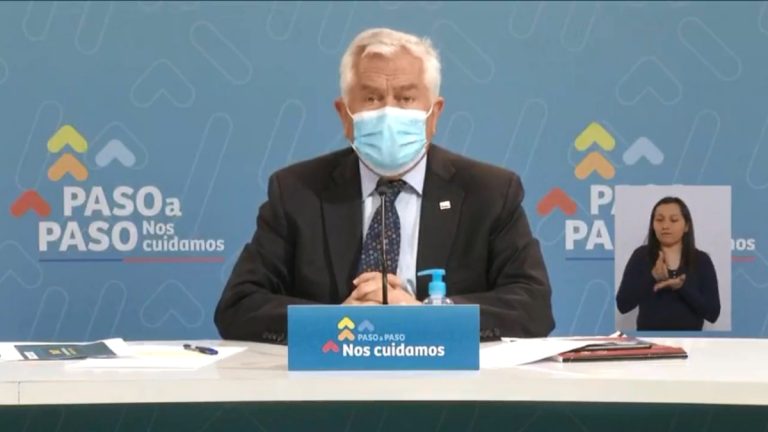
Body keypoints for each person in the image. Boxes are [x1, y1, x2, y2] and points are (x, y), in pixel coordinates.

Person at [214, 28, 554, 343]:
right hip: (330, 378)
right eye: (372, 98)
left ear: (434, 113)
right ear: (344, 115)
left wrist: (431, 317)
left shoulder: (489, 192)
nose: (389, 112)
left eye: (406, 98)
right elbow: (239, 307)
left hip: (447, 382)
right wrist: (335, 321)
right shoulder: (297, 192)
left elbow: (533, 306)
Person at [616, 196, 720, 330]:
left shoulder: (701, 260)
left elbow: (712, 314)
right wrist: (652, 277)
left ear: (686, 226)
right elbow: (623, 305)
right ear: (653, 225)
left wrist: (682, 287)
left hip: (690, 341)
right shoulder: (641, 256)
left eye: (674, 220)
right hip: (649, 340)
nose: (665, 226)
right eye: (659, 220)